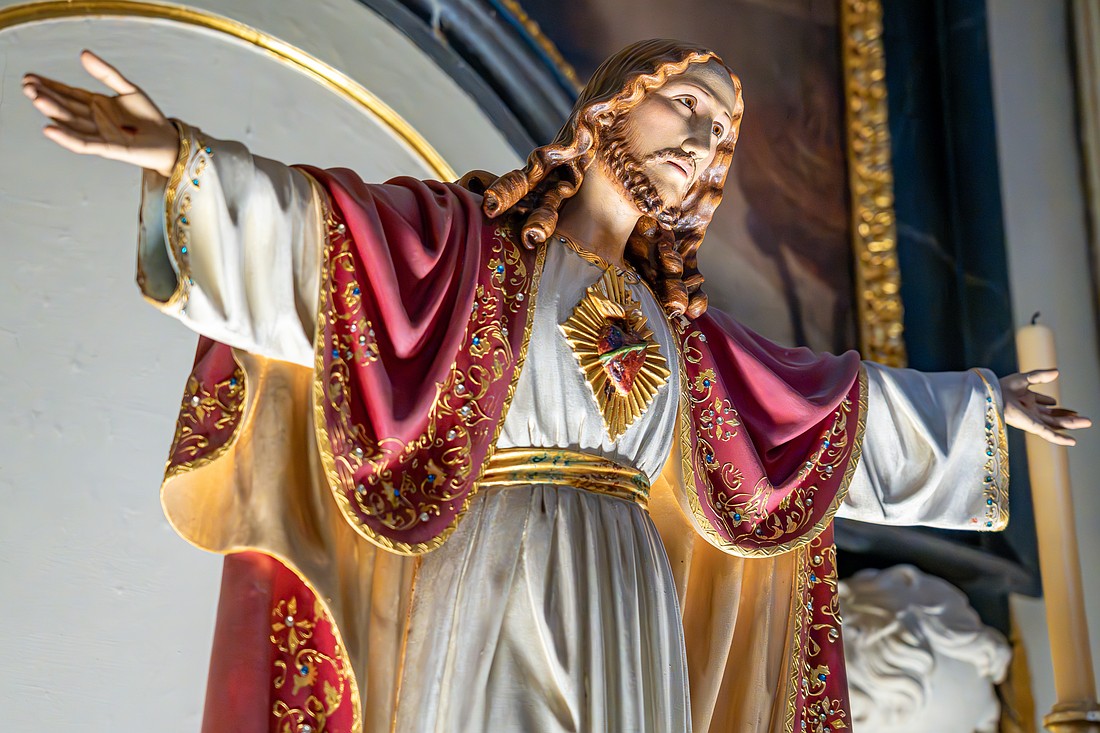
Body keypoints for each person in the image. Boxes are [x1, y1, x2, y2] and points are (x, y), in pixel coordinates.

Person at [22, 40, 1089, 733]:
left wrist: (984, 412)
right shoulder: (471, 251)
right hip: (501, 562)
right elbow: (319, 241)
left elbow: (814, 415)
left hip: (626, 583)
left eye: (719, 135)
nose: (704, 142)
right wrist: (184, 161)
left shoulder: (679, 339)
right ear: (605, 108)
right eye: (685, 105)